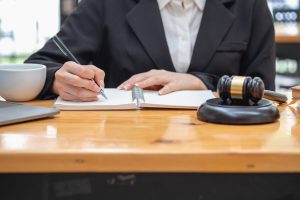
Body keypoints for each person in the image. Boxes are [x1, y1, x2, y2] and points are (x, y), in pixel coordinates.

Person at [26, 0, 275, 101]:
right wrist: (59, 82)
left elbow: (267, 92)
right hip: (125, 155)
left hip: (228, 155)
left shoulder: (249, 5)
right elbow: (41, 65)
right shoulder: (105, 3)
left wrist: (203, 82)